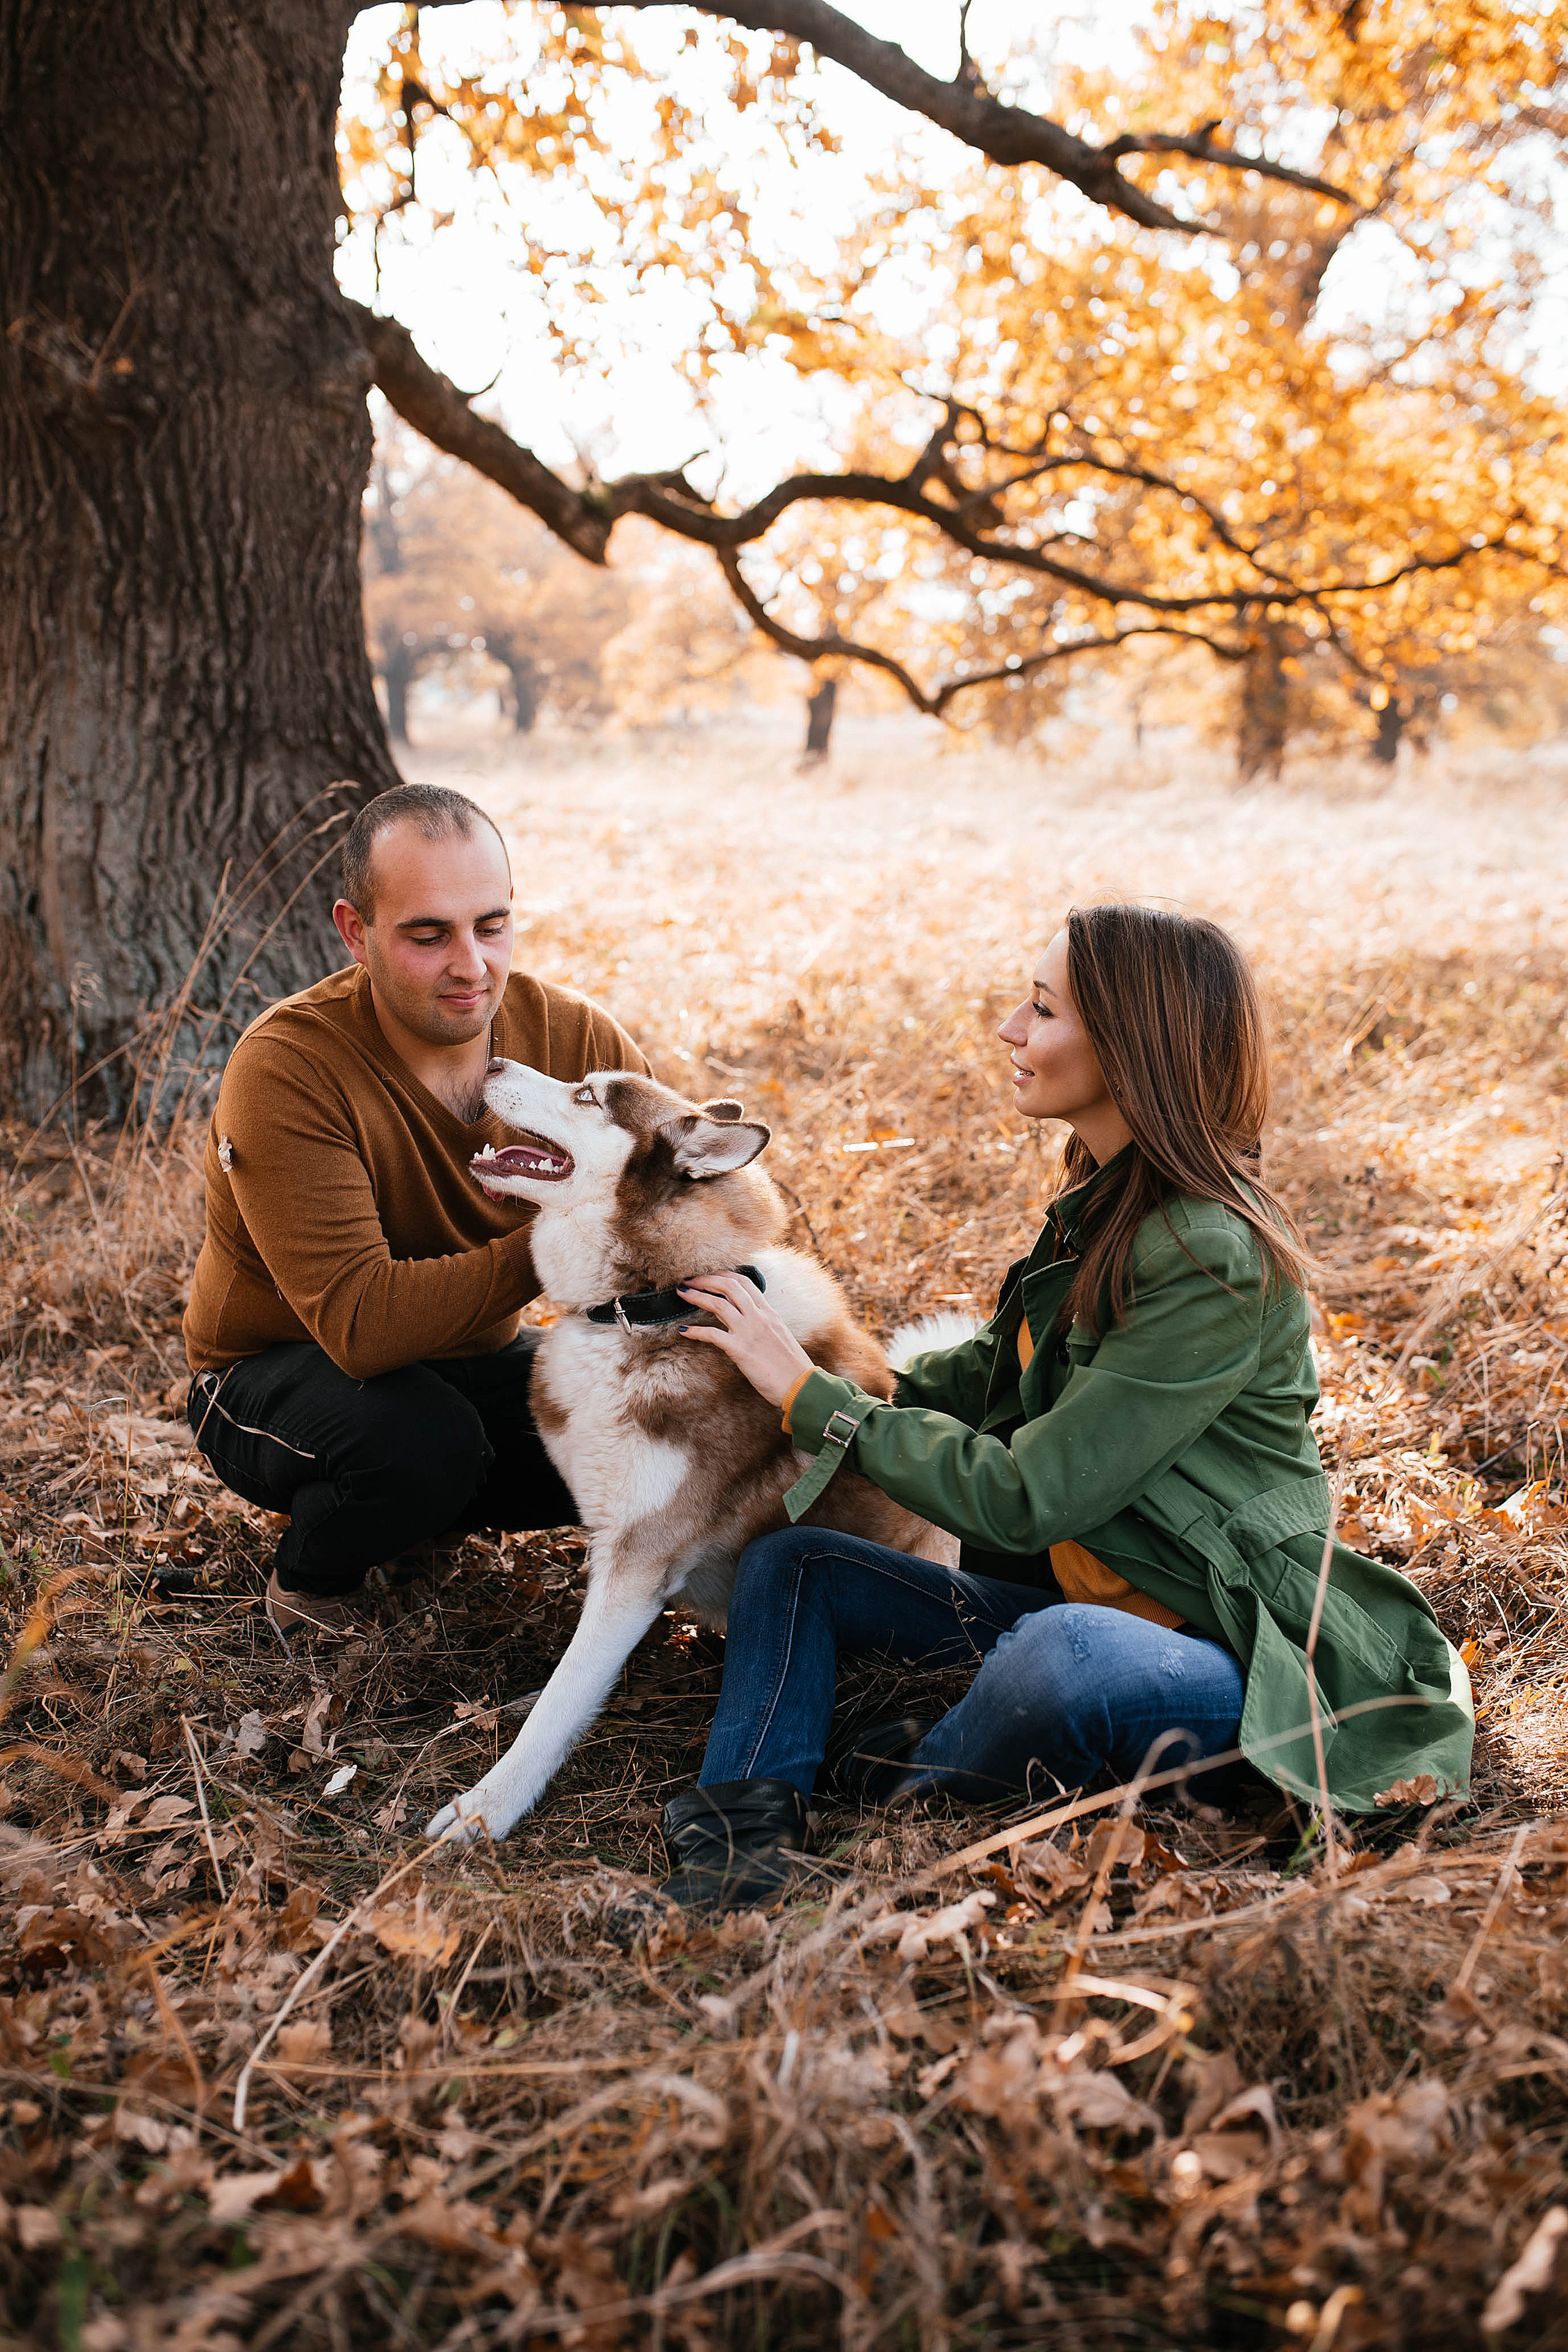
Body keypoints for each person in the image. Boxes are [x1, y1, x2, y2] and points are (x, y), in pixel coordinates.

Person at [657, 905, 1474, 1910]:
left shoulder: (1209, 1256)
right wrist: (795, 1363)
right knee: (795, 1564)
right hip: (1087, 1596)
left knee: (1068, 1661)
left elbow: (1028, 1497)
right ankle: (742, 1832)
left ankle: (909, 1775)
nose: (1009, 1028)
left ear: (1129, 1045)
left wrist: (814, 1401)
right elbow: (977, 1384)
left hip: (1230, 1649)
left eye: (1041, 1010)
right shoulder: (1101, 1208)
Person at [183, 783, 649, 1639]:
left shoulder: (576, 1038)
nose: (472, 965)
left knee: (642, 1418)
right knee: (421, 1447)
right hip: (275, 1371)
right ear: (356, 932)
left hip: (470, 1355)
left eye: (492, 924)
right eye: (428, 935)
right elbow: (362, 1328)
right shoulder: (286, 1066)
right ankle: (317, 1578)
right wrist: (577, 1226)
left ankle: (423, 1513)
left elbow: (661, 1205)